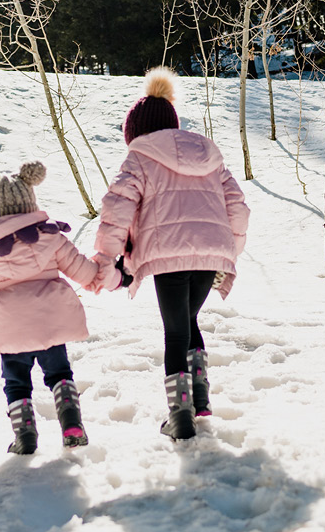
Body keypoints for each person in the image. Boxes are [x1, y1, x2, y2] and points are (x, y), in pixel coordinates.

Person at [93, 66, 250, 441]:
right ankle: (199, 398)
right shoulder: (209, 155)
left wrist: (106, 257)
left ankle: (180, 415)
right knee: (188, 320)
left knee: (176, 330)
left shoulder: (139, 157)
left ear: (136, 132)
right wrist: (229, 251)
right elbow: (239, 208)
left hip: (169, 255)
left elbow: (117, 208)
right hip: (211, 255)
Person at [0, 161, 119, 455]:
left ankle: (25, 435)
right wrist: (106, 273)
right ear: (30, 202)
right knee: (60, 373)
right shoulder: (51, 238)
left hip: (11, 329)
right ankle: (72, 425)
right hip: (51, 322)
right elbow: (82, 270)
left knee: (16, 382)